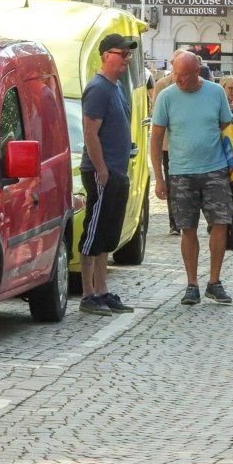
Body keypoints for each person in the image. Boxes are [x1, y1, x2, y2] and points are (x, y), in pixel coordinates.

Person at [150, 52, 233, 307]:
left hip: (215, 169)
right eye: (175, 73)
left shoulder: (215, 93)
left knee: (220, 223)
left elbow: (226, 130)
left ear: (197, 72)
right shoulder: (166, 96)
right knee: (188, 228)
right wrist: (159, 177)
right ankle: (192, 284)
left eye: (184, 75)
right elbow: (155, 138)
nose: (178, 79)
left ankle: (214, 281)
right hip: (181, 172)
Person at [78, 33, 138, 316]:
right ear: (106, 56)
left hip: (117, 171)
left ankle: (101, 290)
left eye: (129, 55)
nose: (127, 59)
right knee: (94, 232)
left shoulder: (116, 88)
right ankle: (88, 294)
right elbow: (90, 133)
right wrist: (102, 170)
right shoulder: (99, 88)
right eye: (122, 54)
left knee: (108, 234)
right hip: (103, 172)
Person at [153, 48, 190, 231]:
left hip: (187, 143)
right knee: (171, 182)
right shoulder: (162, 85)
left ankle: (184, 218)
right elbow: (157, 116)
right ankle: (174, 221)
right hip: (168, 143)